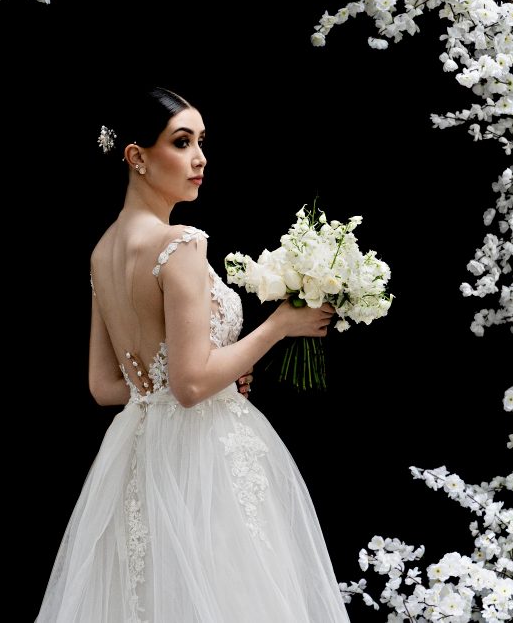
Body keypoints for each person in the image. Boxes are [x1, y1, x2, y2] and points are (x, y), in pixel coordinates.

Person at [35, 86, 352, 622]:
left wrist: (209, 375)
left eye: (202, 142)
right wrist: (279, 326)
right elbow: (188, 386)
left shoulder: (102, 252)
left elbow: (104, 386)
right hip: (203, 458)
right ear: (137, 156)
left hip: (141, 455)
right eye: (182, 142)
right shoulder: (180, 242)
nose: (200, 158)